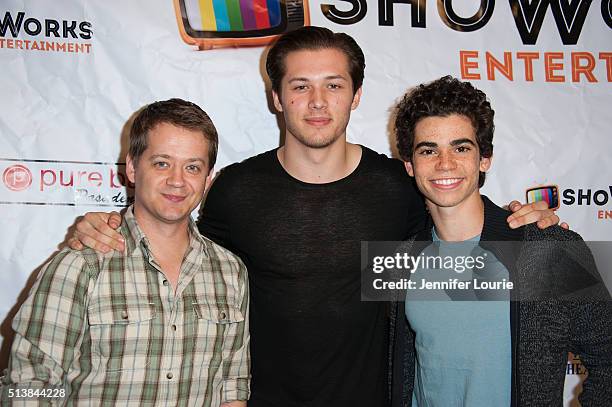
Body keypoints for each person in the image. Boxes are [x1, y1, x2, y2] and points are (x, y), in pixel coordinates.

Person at [65, 28, 559, 406]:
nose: (318, 102)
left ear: (356, 95)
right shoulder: (235, 190)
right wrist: (108, 225)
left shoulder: (400, 186)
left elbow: (459, 223)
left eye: (333, 85)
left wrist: (530, 227)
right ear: (276, 97)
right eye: (300, 86)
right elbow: (185, 259)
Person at [0, 99, 250, 406]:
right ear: (132, 167)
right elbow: (28, 387)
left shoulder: (230, 272)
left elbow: (232, 387)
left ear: (208, 178)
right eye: (162, 163)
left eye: (192, 167)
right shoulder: (81, 264)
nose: (177, 180)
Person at [390, 76, 612, 407]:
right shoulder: (402, 260)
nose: (445, 163)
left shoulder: (548, 249)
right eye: (428, 150)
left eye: (461, 147)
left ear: (485, 159)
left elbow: (607, 359)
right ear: (409, 164)